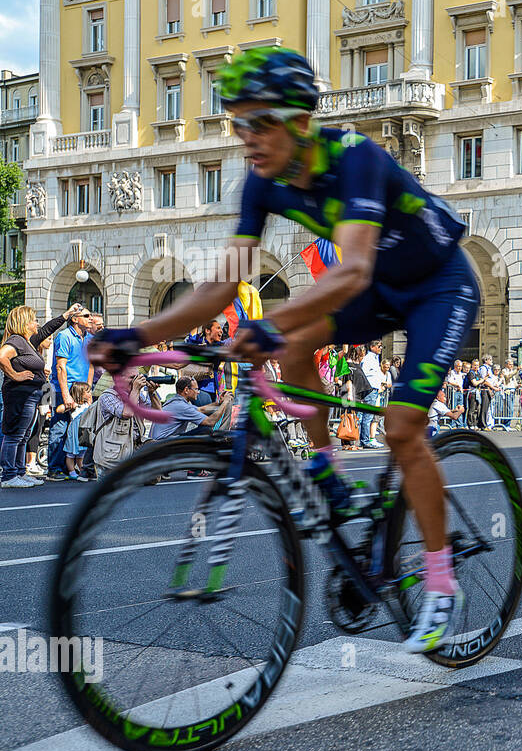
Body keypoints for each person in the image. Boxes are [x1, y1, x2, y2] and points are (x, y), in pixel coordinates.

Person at [91, 46, 478, 655]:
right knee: (297, 341)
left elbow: (348, 271)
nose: (246, 138)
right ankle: (326, 471)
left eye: (258, 122)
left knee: (403, 427)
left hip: (438, 286)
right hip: (379, 286)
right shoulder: (263, 183)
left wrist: (267, 327)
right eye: (237, 124)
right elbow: (221, 284)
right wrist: (137, 336)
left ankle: (438, 579)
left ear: (300, 121)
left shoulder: (356, 159)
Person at [1, 303, 86, 488]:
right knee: (14, 435)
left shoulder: (28, 342)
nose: (37, 323)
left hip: (31, 395)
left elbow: (49, 328)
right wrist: (15, 375)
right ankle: (8, 476)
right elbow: (1, 357)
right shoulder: (15, 340)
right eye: (33, 320)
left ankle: (19, 472)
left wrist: (67, 314)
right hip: (19, 395)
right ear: (24, 322)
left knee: (23, 436)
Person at [46, 303, 97, 481]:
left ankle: (72, 468)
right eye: (86, 315)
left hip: (82, 389)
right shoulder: (64, 336)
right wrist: (66, 394)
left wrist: (88, 390)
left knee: (79, 430)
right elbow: (61, 367)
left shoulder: (89, 339)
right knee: (60, 427)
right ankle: (54, 469)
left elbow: (91, 365)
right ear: (75, 319)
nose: (90, 318)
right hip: (64, 387)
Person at [150, 376, 234, 442]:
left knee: (203, 429)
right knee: (205, 430)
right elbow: (210, 422)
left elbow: (201, 410)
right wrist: (226, 402)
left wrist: (219, 402)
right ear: (186, 390)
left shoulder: (177, 401)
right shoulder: (181, 406)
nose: (198, 392)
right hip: (162, 444)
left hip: (162, 441)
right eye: (196, 389)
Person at [359, 339, 384, 448]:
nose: (380, 348)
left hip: (374, 390)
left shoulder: (374, 358)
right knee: (367, 417)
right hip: (370, 390)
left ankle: (365, 439)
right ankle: (365, 440)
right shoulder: (368, 359)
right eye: (379, 346)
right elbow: (363, 374)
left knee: (368, 416)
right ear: (372, 347)